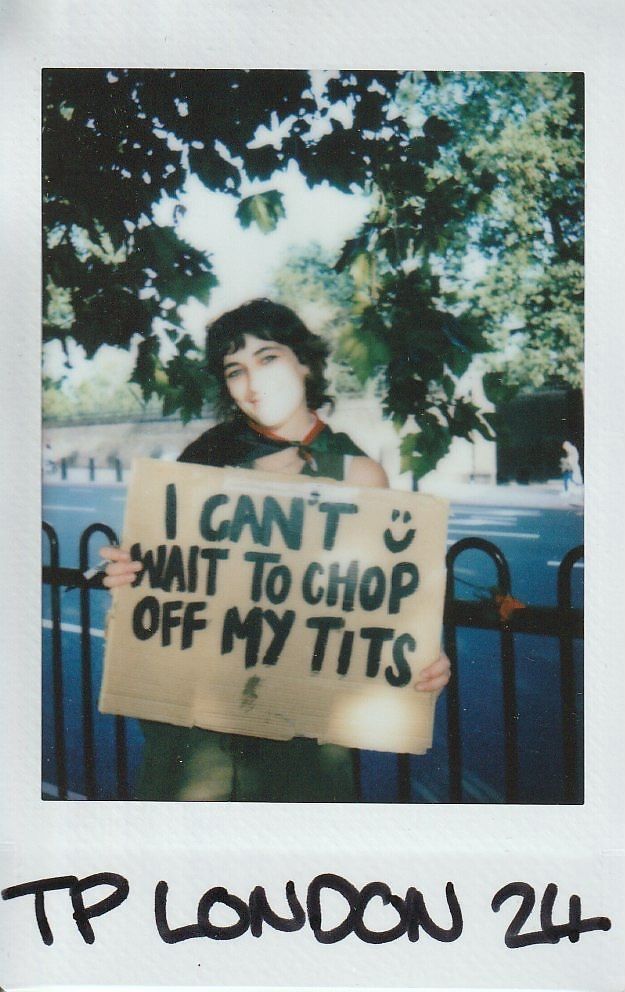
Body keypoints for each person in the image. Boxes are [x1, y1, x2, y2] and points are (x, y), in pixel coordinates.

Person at [101, 299, 451, 801]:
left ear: (304, 361)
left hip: (300, 738)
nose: (253, 383)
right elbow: (171, 576)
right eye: (235, 370)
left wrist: (422, 655)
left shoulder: (357, 474)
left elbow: (379, 607)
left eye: (268, 358)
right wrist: (132, 574)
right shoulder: (206, 458)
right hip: (199, 737)